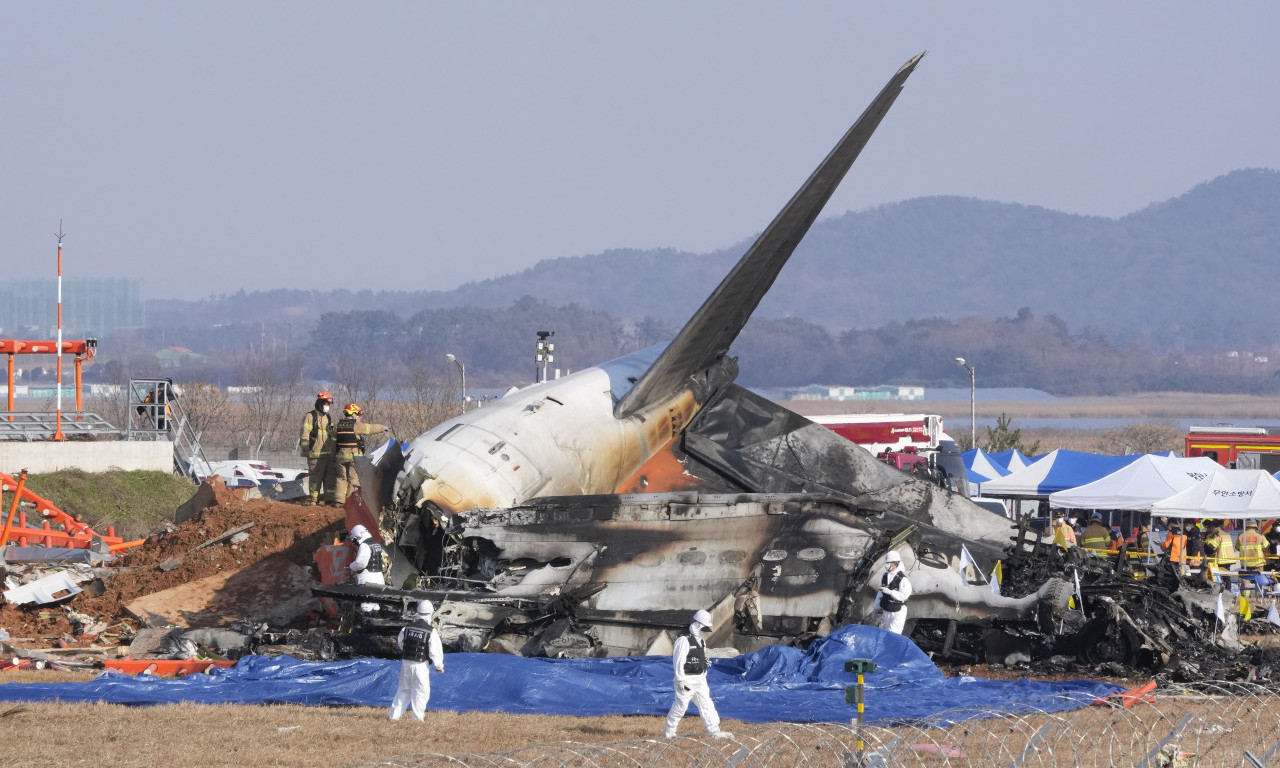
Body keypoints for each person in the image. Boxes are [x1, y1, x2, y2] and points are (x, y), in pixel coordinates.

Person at [662, 609, 731, 740]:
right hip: (687, 680)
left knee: (707, 704)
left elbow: (700, 655)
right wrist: (680, 680)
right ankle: (669, 732)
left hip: (700, 679)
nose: (704, 632)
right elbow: (678, 661)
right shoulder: (684, 640)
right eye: (703, 628)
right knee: (680, 707)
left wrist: (703, 663)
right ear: (697, 625)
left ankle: (714, 731)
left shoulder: (701, 641)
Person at [388, 599, 444, 722]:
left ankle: (394, 716)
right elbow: (435, 651)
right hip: (421, 665)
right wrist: (439, 666)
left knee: (403, 690)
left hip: (406, 664)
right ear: (431, 614)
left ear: (417, 612)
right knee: (421, 692)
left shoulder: (406, 628)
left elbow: (401, 643)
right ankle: (417, 719)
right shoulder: (431, 631)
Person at [333, 403, 389, 506]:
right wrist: (382, 428)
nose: (359, 417)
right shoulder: (356, 426)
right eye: (358, 414)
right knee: (353, 478)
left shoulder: (338, 425)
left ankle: (338, 500)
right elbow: (370, 428)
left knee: (341, 478)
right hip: (353, 457)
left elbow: (333, 440)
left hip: (340, 457)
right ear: (353, 414)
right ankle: (351, 502)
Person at [299, 391, 336, 506]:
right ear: (320, 403)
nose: (327, 407)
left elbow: (332, 435)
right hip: (315, 455)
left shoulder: (328, 417)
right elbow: (305, 434)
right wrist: (306, 450)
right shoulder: (310, 416)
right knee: (315, 479)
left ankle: (328, 499)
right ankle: (313, 500)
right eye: (326, 404)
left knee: (330, 479)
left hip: (328, 455)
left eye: (329, 405)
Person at [347, 524, 386, 615]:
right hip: (379, 578)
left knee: (367, 606)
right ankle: (376, 626)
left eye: (355, 540)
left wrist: (350, 566)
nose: (356, 542)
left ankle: (368, 626)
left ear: (358, 536)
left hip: (368, 579)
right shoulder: (376, 544)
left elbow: (360, 563)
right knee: (375, 605)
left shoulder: (364, 545)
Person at [872, 551, 912, 635]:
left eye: (889, 563)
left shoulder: (903, 579)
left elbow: (904, 596)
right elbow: (880, 593)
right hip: (887, 610)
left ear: (895, 563)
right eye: (886, 563)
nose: (887, 565)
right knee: (886, 632)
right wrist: (876, 608)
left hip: (897, 611)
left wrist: (890, 592)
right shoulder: (885, 576)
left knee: (893, 635)